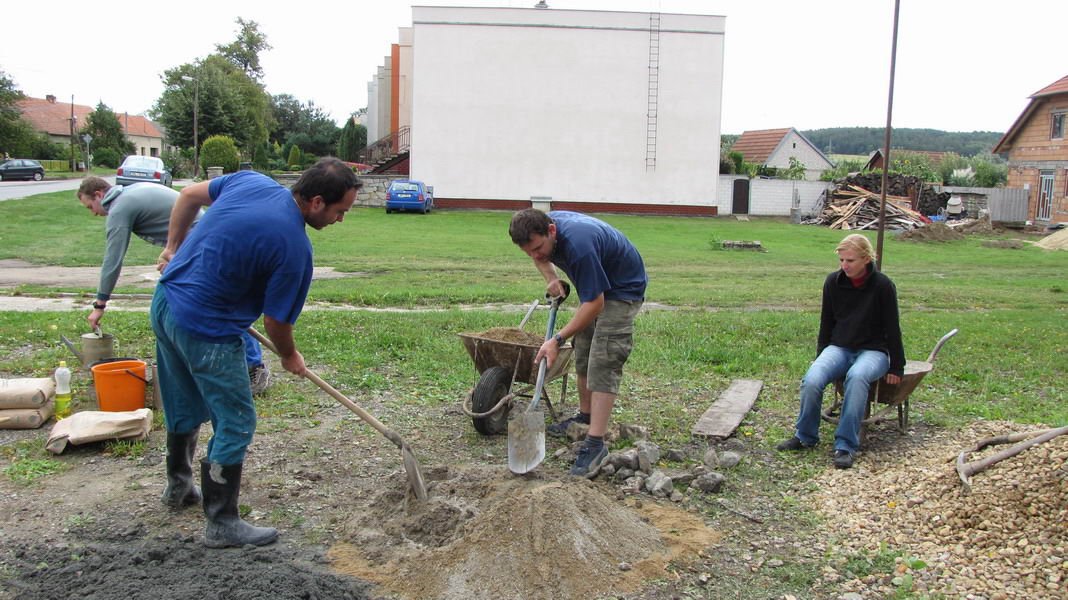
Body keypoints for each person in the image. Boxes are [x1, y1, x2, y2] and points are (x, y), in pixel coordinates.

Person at [151, 158, 360, 548]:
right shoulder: (294, 247)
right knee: (236, 421)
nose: (341, 219)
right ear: (316, 202)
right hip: (204, 328)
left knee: (181, 401)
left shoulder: (251, 183)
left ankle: (178, 486)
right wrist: (288, 356)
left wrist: (172, 247)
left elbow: (187, 195)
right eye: (340, 211)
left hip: (165, 304)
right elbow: (277, 323)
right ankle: (222, 523)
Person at [76, 176, 273, 396]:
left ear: (99, 195)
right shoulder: (132, 192)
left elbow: (113, 259)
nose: (93, 212)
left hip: (201, 244)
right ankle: (221, 364)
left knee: (217, 304)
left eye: (90, 206)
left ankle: (254, 368)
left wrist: (100, 303)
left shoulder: (120, 207)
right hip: (202, 240)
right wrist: (174, 255)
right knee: (206, 302)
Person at [508, 208, 646, 478]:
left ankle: (596, 444)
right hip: (595, 289)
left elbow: (597, 302)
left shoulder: (579, 245)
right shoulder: (543, 229)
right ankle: (585, 417)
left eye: (538, 248)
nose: (536, 256)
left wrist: (557, 339)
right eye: (529, 253)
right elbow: (541, 258)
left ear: (551, 231)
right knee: (583, 348)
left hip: (622, 290)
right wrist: (551, 278)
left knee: (604, 358)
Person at [776, 233, 905, 469]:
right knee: (813, 379)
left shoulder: (883, 286)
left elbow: (892, 327)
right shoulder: (833, 282)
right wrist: (821, 357)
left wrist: (897, 365)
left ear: (866, 259)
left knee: (856, 378)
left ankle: (845, 445)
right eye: (842, 260)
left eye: (850, 261)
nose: (844, 266)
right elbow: (827, 323)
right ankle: (805, 436)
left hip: (873, 351)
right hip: (840, 347)